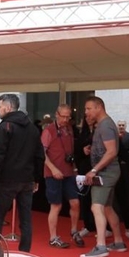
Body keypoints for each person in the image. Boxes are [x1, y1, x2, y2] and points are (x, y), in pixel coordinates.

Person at [0, 94, 44, 252]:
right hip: (27, 179)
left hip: (9, 179)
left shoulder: (5, 127)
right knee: (26, 219)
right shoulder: (33, 128)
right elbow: (39, 155)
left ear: (8, 107)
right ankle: (25, 252)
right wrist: (36, 178)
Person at [80, 96, 127, 257]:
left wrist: (94, 169)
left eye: (88, 108)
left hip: (105, 172)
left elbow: (112, 152)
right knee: (107, 207)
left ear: (99, 107)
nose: (86, 112)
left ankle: (101, 245)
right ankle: (118, 241)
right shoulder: (103, 125)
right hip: (107, 171)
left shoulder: (106, 125)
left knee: (96, 206)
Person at [41, 104, 83, 248]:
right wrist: (53, 169)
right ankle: (53, 237)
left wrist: (75, 168)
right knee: (56, 205)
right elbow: (42, 153)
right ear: (56, 114)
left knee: (75, 203)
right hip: (53, 173)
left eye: (68, 116)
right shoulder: (48, 130)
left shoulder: (70, 129)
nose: (65, 119)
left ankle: (74, 230)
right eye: (63, 116)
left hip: (69, 171)